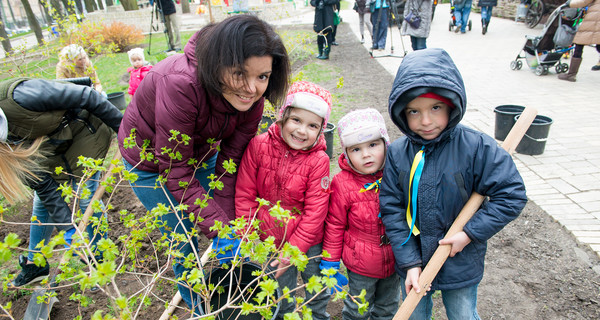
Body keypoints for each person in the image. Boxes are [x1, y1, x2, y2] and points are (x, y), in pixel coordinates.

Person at [117, 15, 290, 314]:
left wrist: (226, 227)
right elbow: (176, 171)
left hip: (200, 149)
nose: (252, 88)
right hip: (149, 163)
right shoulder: (181, 84)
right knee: (181, 233)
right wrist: (221, 230)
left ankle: (234, 285)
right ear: (218, 63)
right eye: (239, 73)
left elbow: (230, 161)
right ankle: (198, 301)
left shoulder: (253, 97)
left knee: (223, 219)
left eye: (262, 76)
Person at [380, 48, 527, 319]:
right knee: (413, 314)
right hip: (413, 262)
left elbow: (512, 194)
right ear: (402, 112)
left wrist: (469, 233)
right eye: (414, 111)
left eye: (435, 108)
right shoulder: (398, 154)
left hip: (460, 261)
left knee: (462, 314)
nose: (425, 121)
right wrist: (410, 263)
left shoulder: (476, 147)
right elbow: (392, 209)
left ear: (451, 104)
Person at [0, 78, 122, 287]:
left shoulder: (20, 96)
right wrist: (69, 231)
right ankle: (36, 263)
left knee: (85, 196)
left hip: (83, 129)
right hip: (52, 145)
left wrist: (125, 130)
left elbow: (87, 95)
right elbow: (43, 185)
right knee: (41, 202)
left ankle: (100, 261)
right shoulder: (5, 151)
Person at [235, 81, 333, 320]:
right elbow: (245, 194)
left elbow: (315, 213)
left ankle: (318, 315)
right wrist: (248, 236)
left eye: (312, 125)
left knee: (316, 285)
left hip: (309, 240)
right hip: (268, 237)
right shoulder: (258, 146)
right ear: (282, 117)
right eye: (296, 120)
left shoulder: (319, 160)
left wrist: (294, 250)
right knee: (281, 291)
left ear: (321, 130)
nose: (302, 131)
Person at [321, 108, 401, 320]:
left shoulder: (396, 174)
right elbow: (335, 225)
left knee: (388, 307)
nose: (366, 154)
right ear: (346, 154)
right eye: (356, 149)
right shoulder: (342, 184)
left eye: (373, 145)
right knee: (358, 308)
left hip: (395, 258)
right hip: (360, 263)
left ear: (385, 143)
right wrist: (330, 263)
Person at [558, 0, 600, 81]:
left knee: (579, 44)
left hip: (594, 19)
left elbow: (584, 1)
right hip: (595, 19)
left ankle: (571, 75)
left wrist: (569, 3)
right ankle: (571, 74)